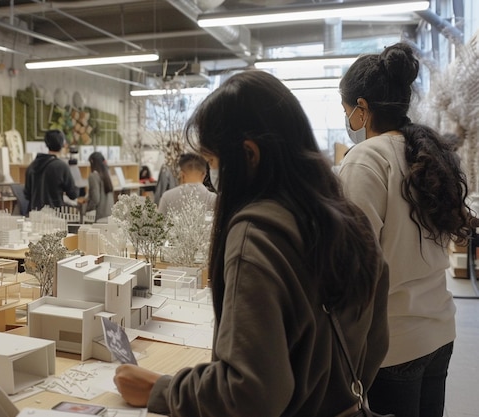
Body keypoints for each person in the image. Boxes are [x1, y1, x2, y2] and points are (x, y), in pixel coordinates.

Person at [114, 70, 390, 416]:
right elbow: (376, 342)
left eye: (214, 162)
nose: (213, 178)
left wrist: (163, 390)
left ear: (248, 154)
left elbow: (251, 393)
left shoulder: (256, 233)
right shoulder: (348, 218)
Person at [337, 43, 474, 417]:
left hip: (392, 341)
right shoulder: (428, 153)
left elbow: (358, 262)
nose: (347, 118)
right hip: (438, 328)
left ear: (362, 109)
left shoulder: (366, 159)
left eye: (347, 109)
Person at [24, 129, 78, 212]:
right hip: (55, 216)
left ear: (46, 144)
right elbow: (73, 194)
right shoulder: (61, 166)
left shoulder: (32, 166)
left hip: (34, 215)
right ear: (62, 144)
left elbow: (27, 194)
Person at [77, 151, 114, 222]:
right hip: (109, 215)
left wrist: (85, 209)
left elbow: (95, 199)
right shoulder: (106, 174)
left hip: (99, 216)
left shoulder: (93, 176)